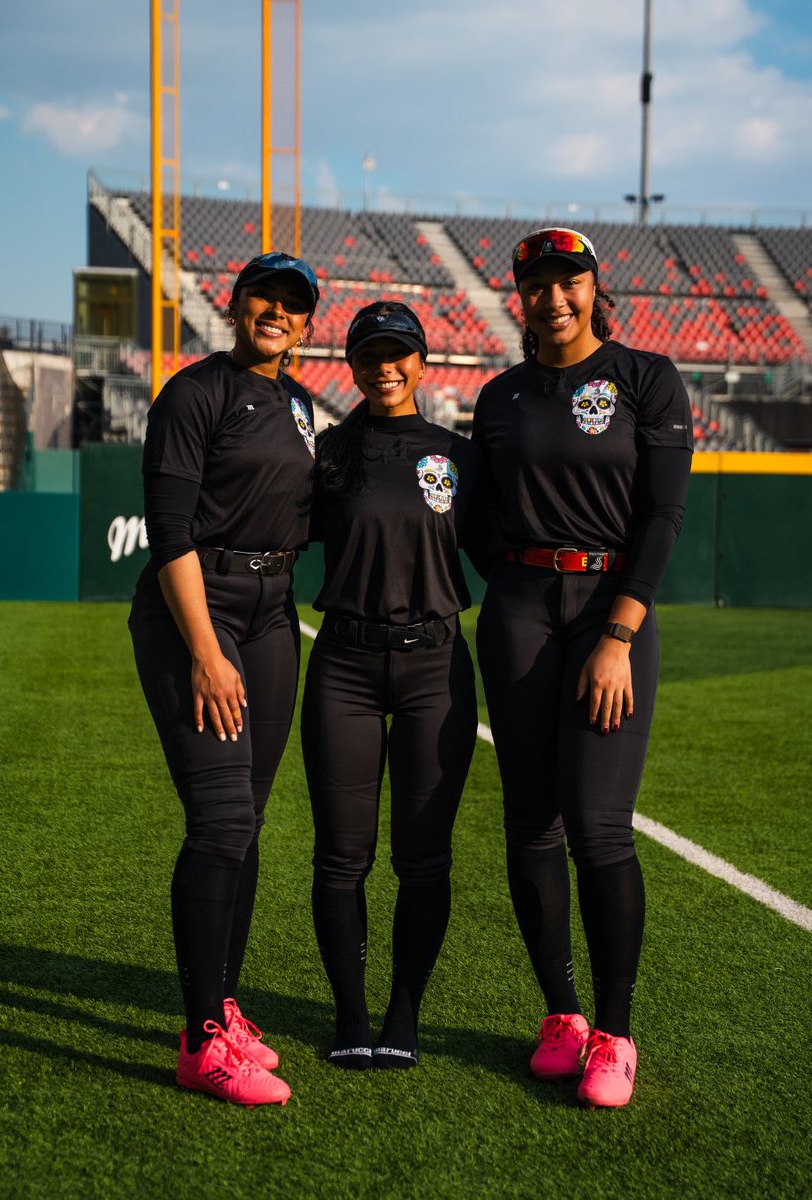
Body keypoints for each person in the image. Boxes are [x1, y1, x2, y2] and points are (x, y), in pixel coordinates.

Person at [472, 228, 693, 1107]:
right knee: (531, 824)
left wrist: (619, 634)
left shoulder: (646, 378)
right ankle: (561, 1016)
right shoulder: (499, 397)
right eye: (538, 285)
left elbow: (662, 517)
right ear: (520, 299)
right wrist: (516, 589)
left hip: (611, 611)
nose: (554, 297)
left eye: (569, 281)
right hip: (521, 613)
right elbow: (478, 522)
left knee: (599, 827)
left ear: (596, 287)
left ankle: (614, 1032)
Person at [128, 251, 320, 1107]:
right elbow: (169, 532)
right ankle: (201, 1040)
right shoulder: (195, 392)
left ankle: (225, 1007)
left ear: (306, 323)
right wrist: (205, 652)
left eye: (292, 304)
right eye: (263, 298)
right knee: (221, 819)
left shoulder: (300, 403)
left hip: (274, 614)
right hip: (198, 609)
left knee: (249, 821)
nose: (276, 312)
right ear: (235, 305)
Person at [301, 302, 484, 1070]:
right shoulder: (328, 453)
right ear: (351, 365)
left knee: (424, 858)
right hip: (344, 667)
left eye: (398, 353)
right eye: (370, 355)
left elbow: (506, 551)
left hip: (434, 670)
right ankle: (350, 1013)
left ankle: (404, 1012)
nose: (385, 367)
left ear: (422, 362)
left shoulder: (457, 456)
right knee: (341, 857)